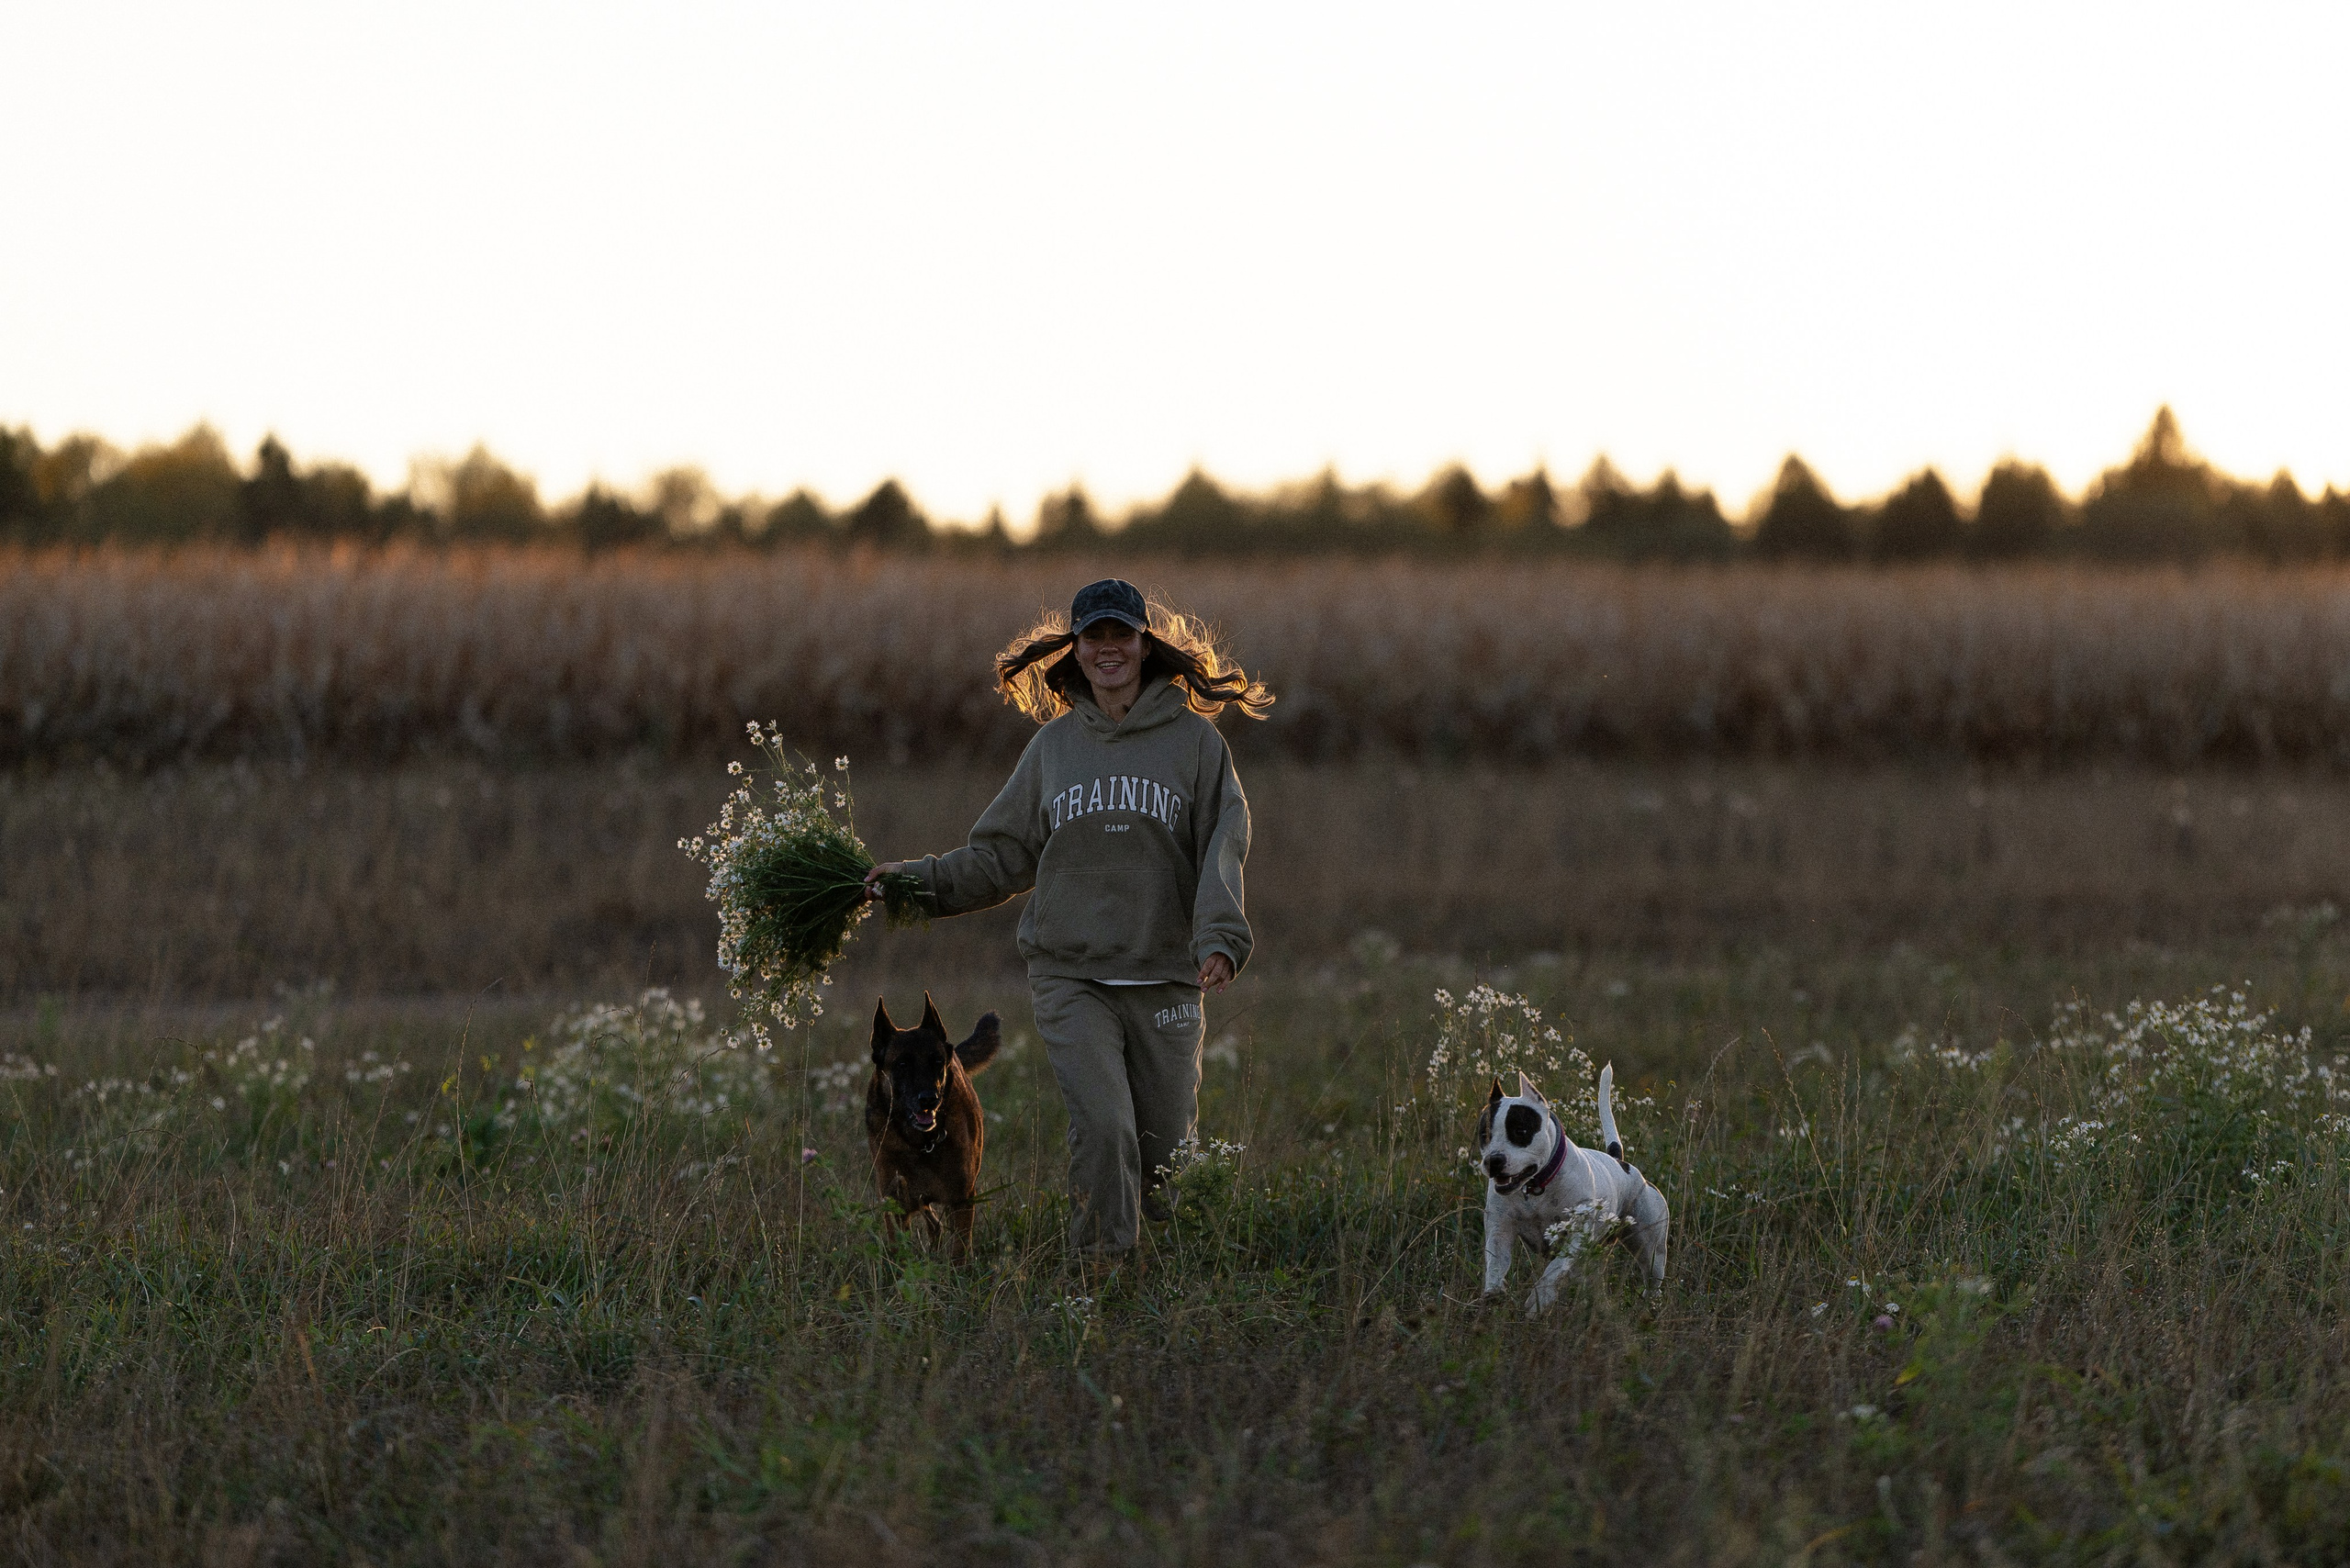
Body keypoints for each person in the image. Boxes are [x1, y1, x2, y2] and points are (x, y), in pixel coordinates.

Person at [865, 577, 1271, 1255]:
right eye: (1094, 636)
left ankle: (1161, 1268)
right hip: (1071, 977)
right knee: (1106, 1130)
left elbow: (1224, 844)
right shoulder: (1053, 749)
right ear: (1075, 650)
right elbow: (998, 858)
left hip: (1165, 977)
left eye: (1122, 635)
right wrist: (910, 884)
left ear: (1146, 644)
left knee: (1165, 1161)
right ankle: (1099, 1275)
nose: (1108, 648)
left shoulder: (1197, 747)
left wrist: (1221, 937)